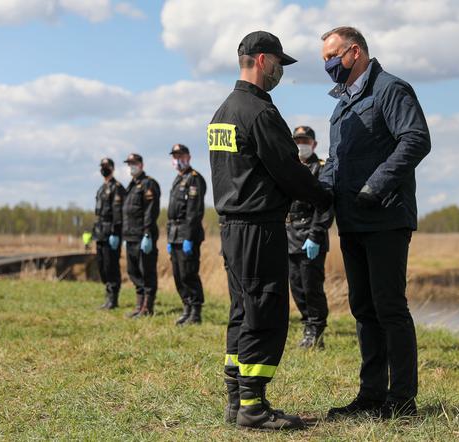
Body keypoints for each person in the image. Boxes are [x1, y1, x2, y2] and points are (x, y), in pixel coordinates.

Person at [208, 30, 332, 430]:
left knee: (242, 310)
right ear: (262, 60)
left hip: (231, 227)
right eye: (279, 62)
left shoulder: (223, 111)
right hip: (260, 228)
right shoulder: (260, 112)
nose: (281, 70)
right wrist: (326, 195)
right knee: (265, 312)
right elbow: (290, 172)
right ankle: (253, 407)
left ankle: (234, 399)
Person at [319, 27, 431, 419]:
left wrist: (376, 184)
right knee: (363, 308)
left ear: (355, 51)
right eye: (324, 60)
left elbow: (416, 139)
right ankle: (370, 395)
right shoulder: (341, 105)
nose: (328, 65)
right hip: (351, 221)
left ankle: (401, 400)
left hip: (385, 216)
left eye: (332, 56)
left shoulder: (390, 89)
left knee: (389, 308)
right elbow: (334, 162)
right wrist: (316, 196)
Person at [286, 126, 334, 349]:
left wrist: (316, 234)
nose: (300, 144)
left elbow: (325, 203)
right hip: (290, 237)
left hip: (310, 237)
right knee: (295, 285)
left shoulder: (321, 168)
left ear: (314, 144)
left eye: (305, 140)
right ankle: (307, 326)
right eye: (297, 140)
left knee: (311, 286)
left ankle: (316, 330)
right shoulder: (290, 167)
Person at [166, 143, 207, 325]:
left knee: (188, 274)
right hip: (174, 234)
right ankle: (186, 308)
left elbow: (194, 212)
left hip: (187, 234)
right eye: (175, 157)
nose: (178, 160)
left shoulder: (194, 179)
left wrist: (189, 237)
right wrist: (169, 237)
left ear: (188, 157)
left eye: (181, 156)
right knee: (178, 275)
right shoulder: (178, 179)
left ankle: (195, 312)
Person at [121, 153, 161, 318]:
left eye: (134, 163)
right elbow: (126, 213)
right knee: (133, 271)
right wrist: (124, 235)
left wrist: (147, 233)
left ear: (141, 165)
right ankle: (139, 305)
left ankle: (147, 307)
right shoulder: (131, 185)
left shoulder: (148, 184)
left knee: (147, 272)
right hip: (130, 236)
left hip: (143, 236)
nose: (131, 166)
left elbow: (150, 212)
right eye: (129, 163)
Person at [93, 157, 125, 310]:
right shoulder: (101, 188)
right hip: (100, 232)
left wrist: (116, 233)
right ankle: (107, 295)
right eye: (102, 166)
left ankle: (113, 298)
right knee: (101, 266)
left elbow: (118, 214)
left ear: (112, 168)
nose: (103, 169)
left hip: (111, 232)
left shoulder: (116, 187)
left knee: (111, 265)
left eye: (106, 166)